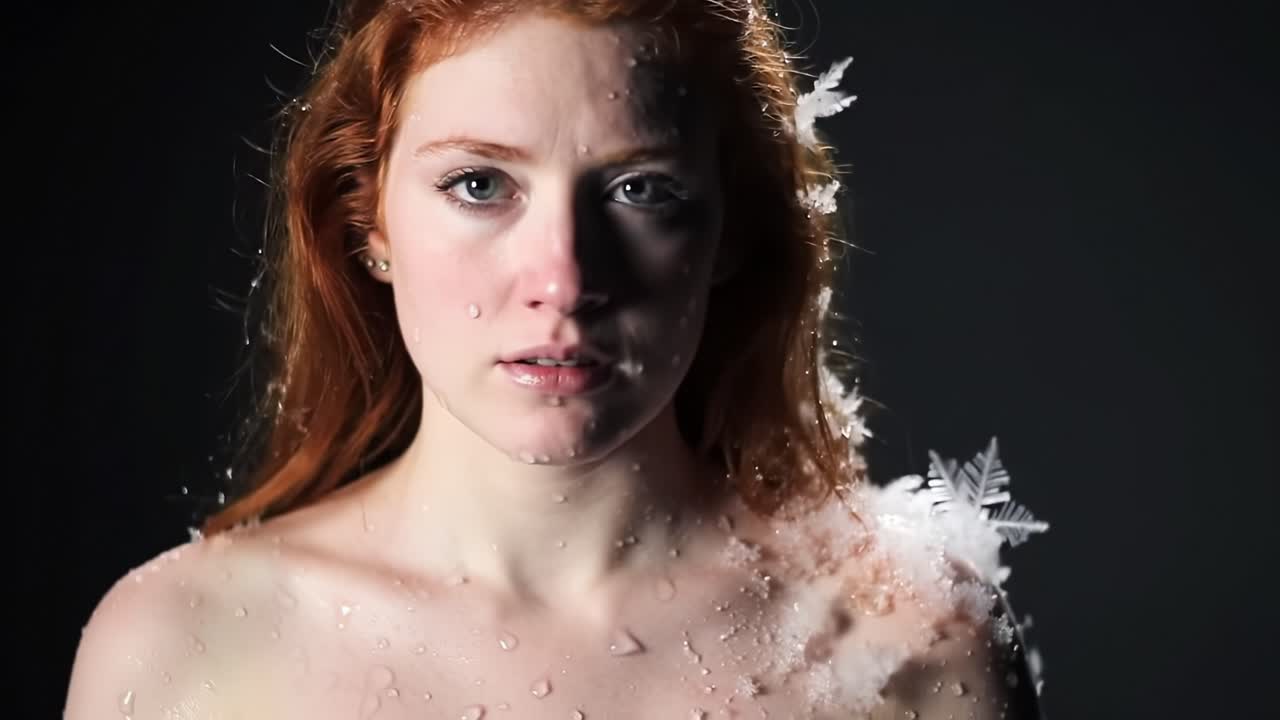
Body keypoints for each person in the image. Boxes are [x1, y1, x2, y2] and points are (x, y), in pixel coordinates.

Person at [65, 1, 1048, 718]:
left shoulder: (909, 649)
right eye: (479, 184)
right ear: (367, 220)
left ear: (732, 231)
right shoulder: (178, 645)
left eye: (639, 190)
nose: (563, 279)